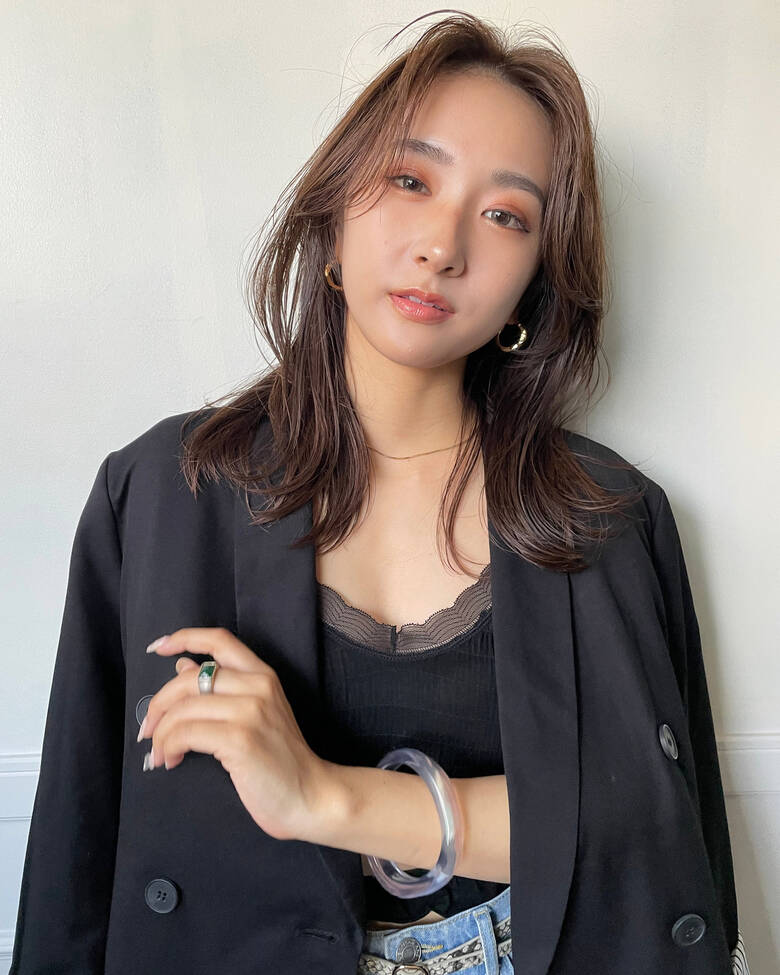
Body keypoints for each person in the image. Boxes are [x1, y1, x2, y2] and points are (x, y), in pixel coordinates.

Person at [10, 10, 751, 975]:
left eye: (506, 215)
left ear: (536, 280)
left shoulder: (607, 511)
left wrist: (324, 795)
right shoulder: (158, 492)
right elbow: (74, 857)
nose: (443, 245)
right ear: (333, 212)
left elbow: (641, 835)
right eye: (411, 179)